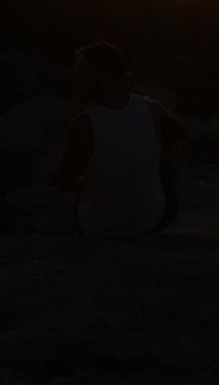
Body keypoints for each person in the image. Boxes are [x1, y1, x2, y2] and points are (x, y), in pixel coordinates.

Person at [57, 42, 185, 238]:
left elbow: (65, 180)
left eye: (83, 75)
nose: (75, 80)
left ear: (107, 77)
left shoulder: (82, 125)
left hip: (97, 226)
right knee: (165, 171)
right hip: (149, 220)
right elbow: (179, 134)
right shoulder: (150, 108)